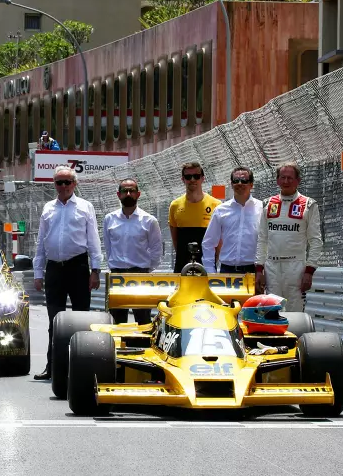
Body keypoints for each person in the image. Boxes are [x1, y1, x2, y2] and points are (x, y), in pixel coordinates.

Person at [32, 165, 103, 381]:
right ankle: (52, 367)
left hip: (78, 267)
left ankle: (82, 367)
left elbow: (93, 240)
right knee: (55, 321)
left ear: (75, 184)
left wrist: (95, 270)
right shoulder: (47, 208)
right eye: (59, 182)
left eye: (67, 182)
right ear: (54, 184)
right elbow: (41, 241)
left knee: (81, 320)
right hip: (54, 269)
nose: (63, 187)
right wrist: (38, 271)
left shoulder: (85, 207)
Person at [256, 162, 322, 312]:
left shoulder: (309, 204)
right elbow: (262, 239)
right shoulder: (267, 204)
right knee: (272, 312)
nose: (286, 182)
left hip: (296, 267)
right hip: (271, 266)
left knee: (296, 313)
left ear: (298, 180)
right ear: (277, 180)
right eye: (282, 178)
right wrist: (259, 269)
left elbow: (316, 241)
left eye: (290, 178)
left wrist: (309, 271)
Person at [102, 178, 162, 325]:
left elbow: (156, 250)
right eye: (124, 191)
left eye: (132, 191)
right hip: (117, 275)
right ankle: (116, 348)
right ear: (118, 194)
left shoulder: (149, 220)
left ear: (138, 194)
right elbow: (108, 247)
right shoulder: (109, 219)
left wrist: (146, 269)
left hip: (140, 275)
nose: (128, 194)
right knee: (116, 320)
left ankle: (141, 348)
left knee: (143, 321)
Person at [200, 167, 262, 274]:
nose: (239, 183)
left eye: (244, 181)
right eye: (236, 181)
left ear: (251, 184)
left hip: (254, 271)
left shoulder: (262, 208)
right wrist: (210, 271)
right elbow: (209, 243)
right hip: (227, 271)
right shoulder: (220, 210)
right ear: (232, 184)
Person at [168, 162, 221, 272]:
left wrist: (213, 260)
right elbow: (175, 238)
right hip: (182, 265)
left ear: (202, 178)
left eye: (196, 176)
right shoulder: (175, 205)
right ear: (183, 179)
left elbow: (219, 240)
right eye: (188, 177)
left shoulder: (216, 205)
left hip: (207, 265)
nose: (192, 180)